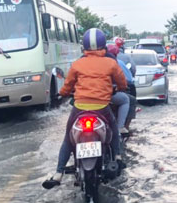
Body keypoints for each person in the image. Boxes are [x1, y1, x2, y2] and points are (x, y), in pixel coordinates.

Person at [42, 28, 127, 190]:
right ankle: (117, 156)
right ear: (104, 45)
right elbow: (122, 82)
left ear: (84, 46)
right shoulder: (111, 63)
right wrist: (121, 88)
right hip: (102, 108)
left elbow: (67, 86)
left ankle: (58, 173)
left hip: (79, 108)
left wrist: (62, 94)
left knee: (68, 138)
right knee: (114, 129)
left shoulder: (78, 64)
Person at [106, 44, 134, 136]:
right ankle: (122, 126)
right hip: (107, 95)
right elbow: (126, 80)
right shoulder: (116, 63)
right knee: (128, 99)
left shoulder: (81, 62)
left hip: (84, 99)